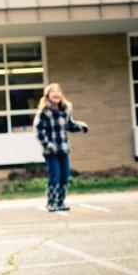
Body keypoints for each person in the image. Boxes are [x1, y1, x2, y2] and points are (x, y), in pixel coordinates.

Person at [33, 83, 88, 212]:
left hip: (63, 148)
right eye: (53, 92)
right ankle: (51, 202)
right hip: (50, 150)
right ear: (48, 95)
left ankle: (60, 202)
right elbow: (38, 131)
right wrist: (47, 144)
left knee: (65, 176)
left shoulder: (64, 111)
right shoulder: (44, 111)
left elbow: (70, 125)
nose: (56, 94)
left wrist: (81, 126)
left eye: (58, 91)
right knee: (55, 176)